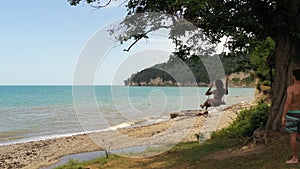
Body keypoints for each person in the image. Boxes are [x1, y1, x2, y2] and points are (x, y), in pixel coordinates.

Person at [282, 69, 300, 164]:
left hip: (292, 114)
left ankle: (295, 158)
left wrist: (283, 116)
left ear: (294, 77)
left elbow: (288, 103)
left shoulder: (291, 88)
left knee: (293, 137)